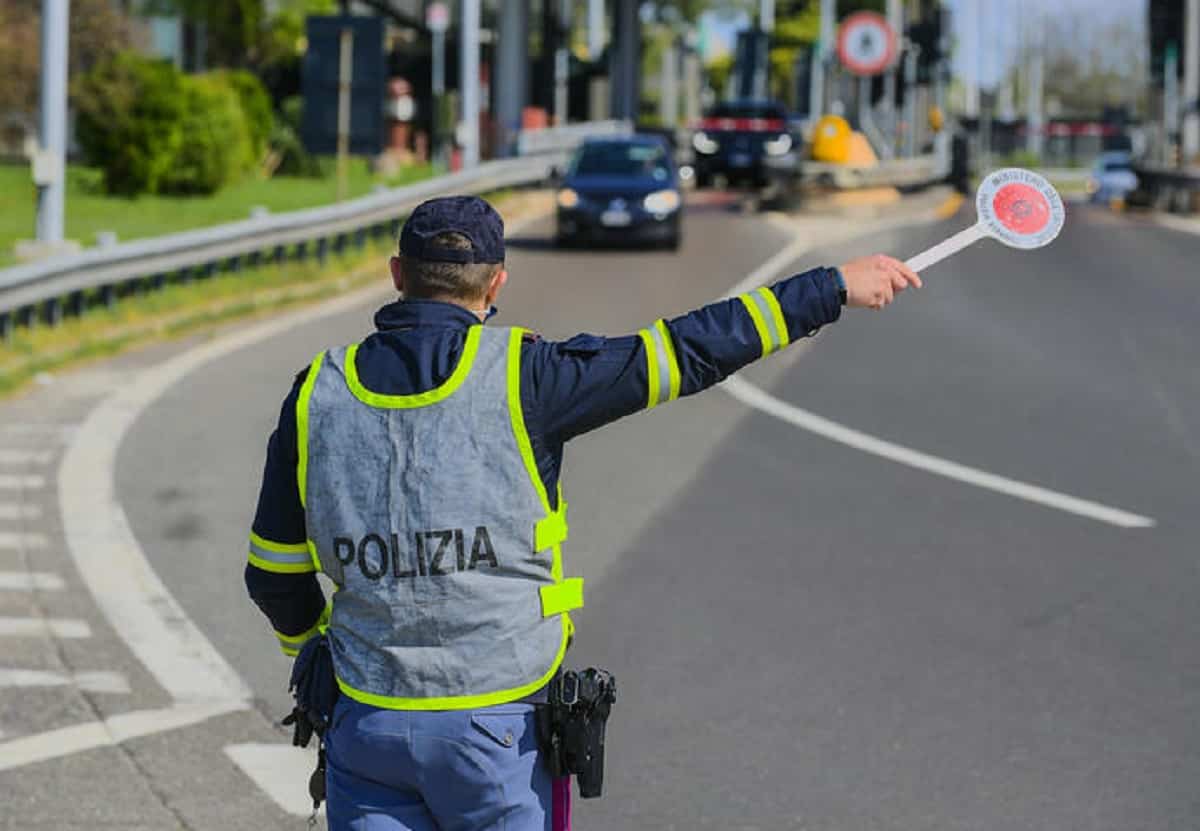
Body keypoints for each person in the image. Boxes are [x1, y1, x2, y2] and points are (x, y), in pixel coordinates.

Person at [245, 195, 921, 830]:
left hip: (368, 726)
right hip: (498, 731)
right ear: (496, 283)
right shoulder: (528, 375)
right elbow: (685, 350)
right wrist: (829, 288)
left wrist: (314, 653)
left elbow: (273, 573)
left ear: (398, 275)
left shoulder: (315, 393)